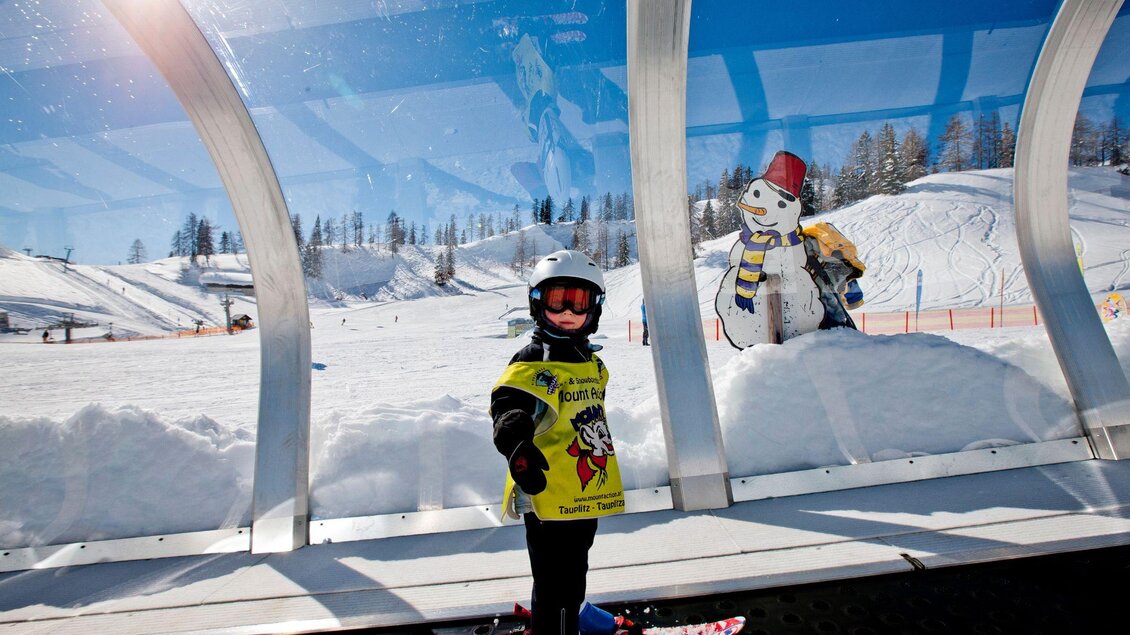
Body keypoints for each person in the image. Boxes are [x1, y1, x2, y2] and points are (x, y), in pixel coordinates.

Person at [490, 250, 626, 635]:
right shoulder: (535, 361)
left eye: (578, 302)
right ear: (537, 303)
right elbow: (508, 406)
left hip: (582, 488)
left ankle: (575, 611)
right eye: (557, 300)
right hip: (546, 489)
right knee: (556, 579)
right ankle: (559, 625)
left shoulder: (585, 358)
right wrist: (517, 445)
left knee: (575, 563)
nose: (568, 311)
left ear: (594, 309)